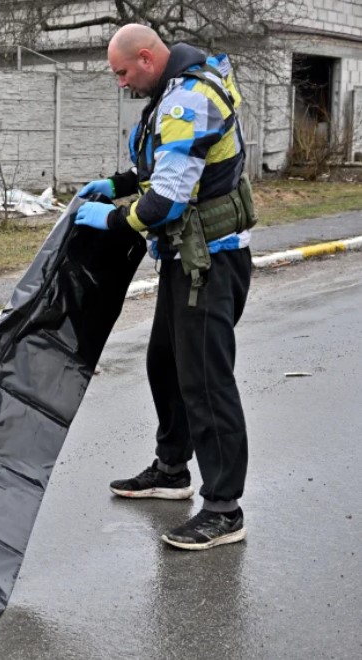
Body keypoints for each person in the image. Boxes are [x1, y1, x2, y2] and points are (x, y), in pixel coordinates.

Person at [75, 24, 255, 551]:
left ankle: (224, 508)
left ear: (149, 58)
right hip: (186, 260)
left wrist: (106, 219)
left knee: (205, 381)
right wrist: (117, 184)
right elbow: (166, 169)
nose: (121, 83)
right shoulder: (171, 94)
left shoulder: (190, 99)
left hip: (211, 265)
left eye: (123, 72)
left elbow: (165, 205)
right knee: (165, 364)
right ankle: (173, 469)